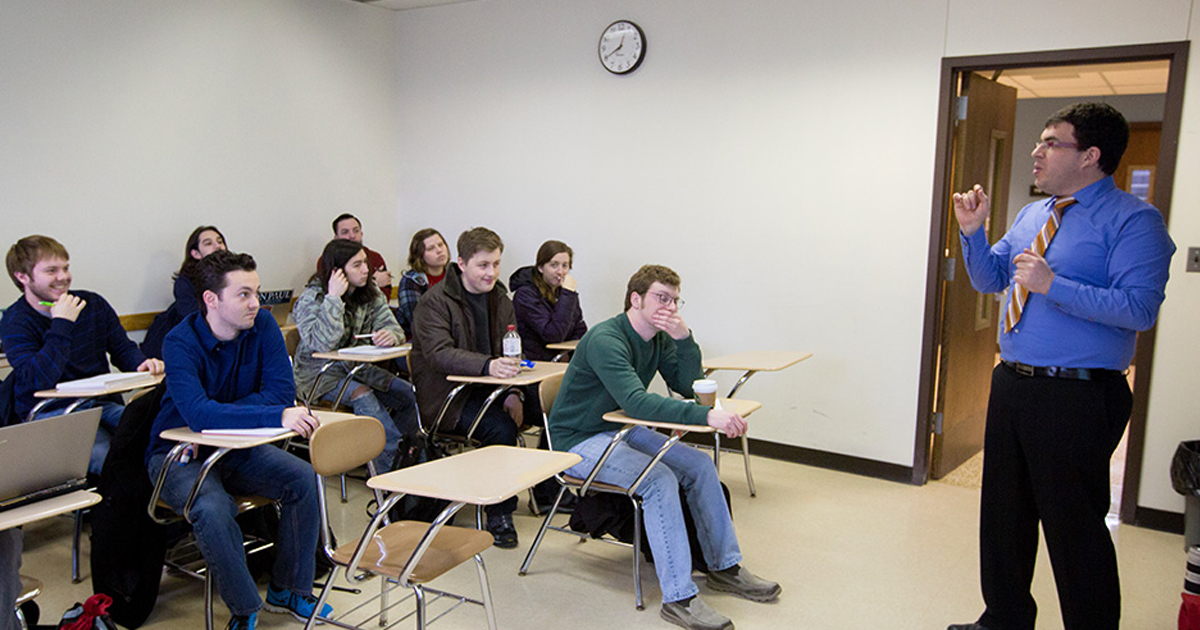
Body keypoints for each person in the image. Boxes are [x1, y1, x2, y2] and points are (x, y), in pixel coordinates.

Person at [947, 103, 1175, 630]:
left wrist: (1056, 286)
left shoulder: (1135, 221)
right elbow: (990, 280)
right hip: (1013, 383)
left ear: (1091, 155)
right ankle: (1003, 618)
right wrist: (973, 233)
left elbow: (1139, 309)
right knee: (1004, 515)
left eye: (1051, 142)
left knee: (1075, 529)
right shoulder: (1035, 214)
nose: (1036, 150)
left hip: (1077, 395)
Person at [549, 264, 780, 630]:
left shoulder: (657, 339)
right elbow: (638, 402)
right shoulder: (606, 338)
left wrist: (684, 337)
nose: (669, 307)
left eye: (674, 299)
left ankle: (724, 567)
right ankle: (679, 598)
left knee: (699, 466)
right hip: (579, 439)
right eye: (661, 298)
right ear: (635, 299)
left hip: (620, 426)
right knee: (658, 480)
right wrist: (706, 419)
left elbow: (689, 384)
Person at [145, 250, 331, 630]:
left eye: (257, 292)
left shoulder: (262, 326)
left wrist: (220, 415)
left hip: (232, 447)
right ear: (212, 300)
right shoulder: (179, 342)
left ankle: (289, 589)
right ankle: (245, 609)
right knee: (213, 507)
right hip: (178, 453)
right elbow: (198, 414)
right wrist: (263, 415)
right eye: (243, 294)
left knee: (302, 477)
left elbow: (280, 392)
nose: (256, 303)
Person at [1, 235, 164, 475]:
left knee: (158, 432)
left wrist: (142, 363)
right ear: (23, 277)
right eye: (51, 270)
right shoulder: (15, 321)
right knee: (108, 458)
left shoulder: (92, 303)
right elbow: (35, 379)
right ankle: (110, 510)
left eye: (65, 268)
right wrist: (62, 324)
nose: (63, 277)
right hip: (52, 411)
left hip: (101, 403)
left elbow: (122, 348)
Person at [408, 227, 528, 548]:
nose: (492, 273)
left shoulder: (499, 298)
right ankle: (499, 514)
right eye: (483, 265)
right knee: (500, 429)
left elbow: (512, 347)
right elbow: (439, 354)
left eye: (497, 264)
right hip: (448, 399)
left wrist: (515, 392)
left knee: (541, 411)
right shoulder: (434, 303)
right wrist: (488, 366)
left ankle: (548, 492)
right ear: (461, 263)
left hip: (491, 390)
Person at [293, 238, 419, 473]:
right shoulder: (312, 299)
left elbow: (395, 329)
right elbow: (321, 343)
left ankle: (406, 452)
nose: (366, 270)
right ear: (337, 271)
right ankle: (391, 469)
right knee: (364, 395)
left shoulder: (370, 294)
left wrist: (389, 336)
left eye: (365, 263)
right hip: (318, 377)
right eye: (357, 265)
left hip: (359, 369)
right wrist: (334, 298)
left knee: (407, 394)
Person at [142, 225, 227, 359]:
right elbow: (194, 318)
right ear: (196, 254)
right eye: (208, 243)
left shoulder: (235, 277)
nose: (217, 246)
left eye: (220, 241)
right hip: (178, 345)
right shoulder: (184, 282)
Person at [509, 240, 587, 361]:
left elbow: (580, 329)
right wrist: (568, 294)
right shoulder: (525, 295)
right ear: (541, 267)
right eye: (554, 265)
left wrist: (567, 353)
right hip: (536, 362)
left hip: (561, 360)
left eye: (565, 266)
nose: (560, 271)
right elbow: (552, 335)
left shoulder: (564, 293)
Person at [319, 213, 393, 300]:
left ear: (361, 234)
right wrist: (373, 283)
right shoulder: (327, 260)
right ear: (336, 237)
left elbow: (385, 294)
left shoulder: (375, 257)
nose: (352, 236)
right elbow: (331, 292)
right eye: (345, 232)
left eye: (356, 231)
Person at [395, 228, 449, 339]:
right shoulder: (410, 281)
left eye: (441, 244)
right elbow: (417, 320)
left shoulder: (456, 274)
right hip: (420, 340)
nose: (439, 250)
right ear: (420, 256)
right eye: (430, 248)